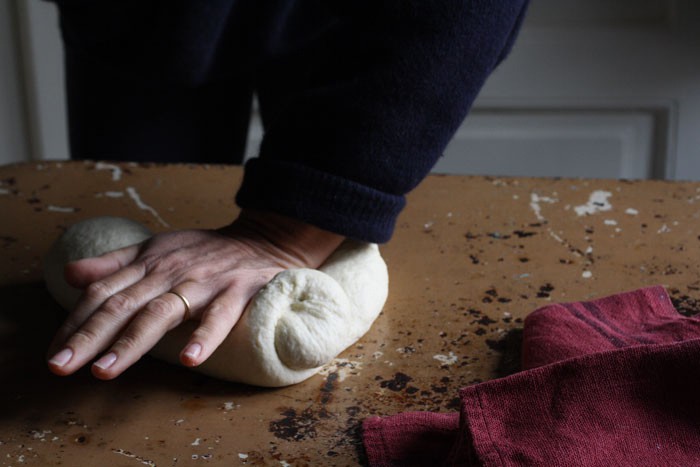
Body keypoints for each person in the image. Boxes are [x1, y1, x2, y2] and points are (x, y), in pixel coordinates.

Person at [46, 0, 530, 379]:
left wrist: (281, 232)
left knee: (323, 208)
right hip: (137, 19)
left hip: (353, 17)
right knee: (133, 184)